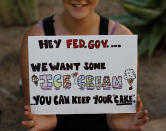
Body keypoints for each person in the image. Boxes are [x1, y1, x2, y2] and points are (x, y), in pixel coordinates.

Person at [20, 0, 149, 131]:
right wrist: (44, 123)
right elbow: (37, 112)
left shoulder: (120, 38)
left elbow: (116, 113)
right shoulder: (36, 38)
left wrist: (118, 121)